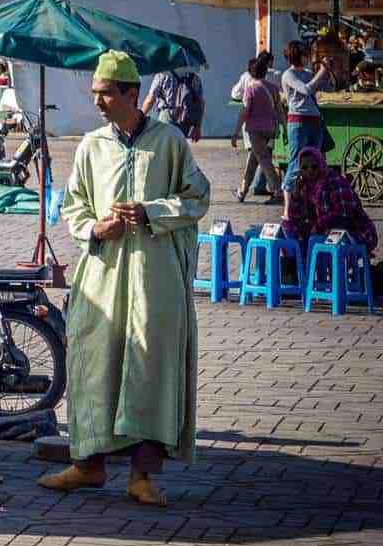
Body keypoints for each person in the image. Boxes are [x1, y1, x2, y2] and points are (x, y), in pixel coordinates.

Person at [39, 51, 210, 507]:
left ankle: (142, 474)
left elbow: (197, 197)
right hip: (103, 276)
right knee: (96, 364)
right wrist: (95, 227)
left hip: (157, 280)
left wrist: (151, 212)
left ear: (132, 94)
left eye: (106, 93)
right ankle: (89, 465)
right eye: (95, 93)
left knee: (151, 369)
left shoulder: (170, 142)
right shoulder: (91, 145)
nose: (98, 101)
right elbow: (74, 204)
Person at [282, 147, 378, 255]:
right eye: (304, 168)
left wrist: (318, 226)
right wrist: (295, 195)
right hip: (323, 231)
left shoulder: (336, 182)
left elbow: (343, 215)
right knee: (287, 228)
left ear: (321, 164)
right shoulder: (304, 185)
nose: (309, 171)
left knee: (316, 239)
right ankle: (297, 264)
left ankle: (309, 263)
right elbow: (294, 217)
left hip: (354, 232)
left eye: (314, 167)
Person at [280, 40, 336, 212]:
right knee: (296, 163)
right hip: (298, 122)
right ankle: (288, 208)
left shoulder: (308, 72)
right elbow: (306, 90)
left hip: (314, 121)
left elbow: (329, 87)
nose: (308, 57)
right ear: (298, 55)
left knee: (315, 163)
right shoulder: (288, 75)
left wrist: (329, 72)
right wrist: (321, 72)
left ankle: (312, 204)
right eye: (305, 54)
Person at [231, 56, 284, 203]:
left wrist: (235, 132)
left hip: (255, 130)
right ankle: (242, 191)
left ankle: (277, 191)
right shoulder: (273, 88)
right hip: (270, 129)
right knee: (254, 159)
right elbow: (279, 110)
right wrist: (284, 127)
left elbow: (245, 111)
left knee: (264, 160)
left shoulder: (250, 89)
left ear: (251, 73)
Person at [141, 69, 205, 142]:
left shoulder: (162, 75)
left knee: (164, 147)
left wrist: (140, 116)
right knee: (177, 147)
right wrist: (197, 127)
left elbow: (150, 100)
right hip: (185, 119)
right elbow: (200, 103)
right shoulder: (194, 78)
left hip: (166, 117)